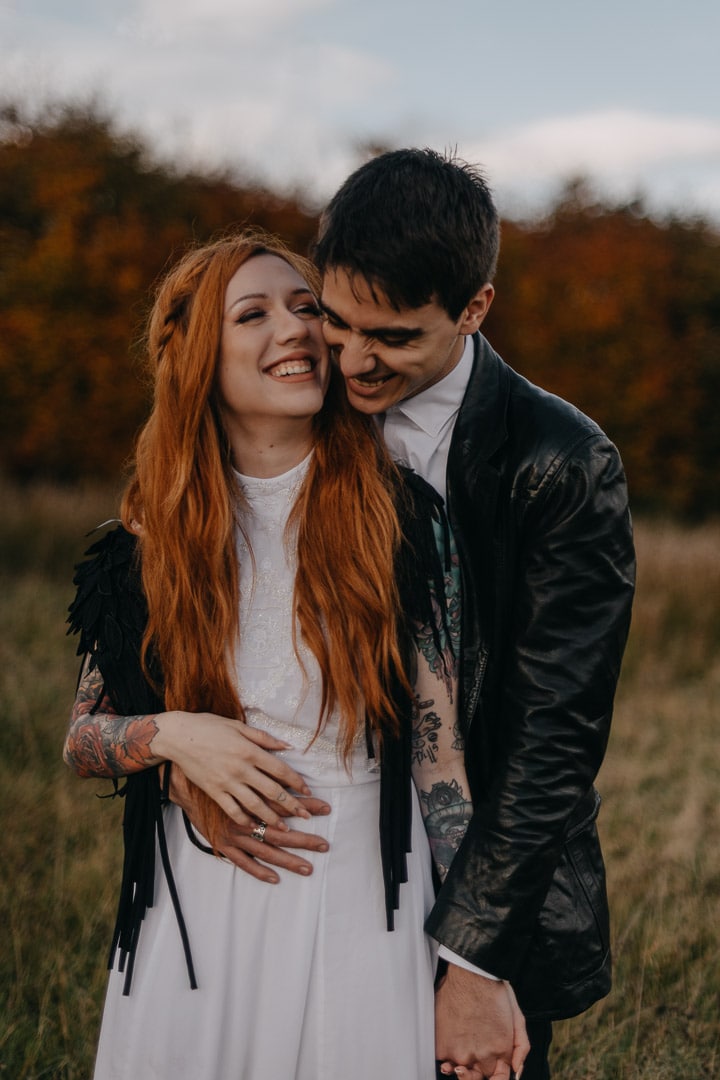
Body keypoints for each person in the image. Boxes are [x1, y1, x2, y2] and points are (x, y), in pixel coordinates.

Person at [183, 151, 635, 1078]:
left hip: (480, 880)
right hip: (314, 869)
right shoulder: (312, 402)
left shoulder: (560, 462)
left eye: (389, 336)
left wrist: (472, 960)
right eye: (337, 322)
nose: (352, 358)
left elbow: (553, 734)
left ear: (474, 309)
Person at [64, 230, 484, 1079]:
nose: (294, 330)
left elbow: (442, 764)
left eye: (305, 309)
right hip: (201, 892)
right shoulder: (144, 543)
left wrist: (474, 966)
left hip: (366, 886)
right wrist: (178, 737)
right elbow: (84, 736)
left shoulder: (401, 516)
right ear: (195, 360)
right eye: (252, 314)